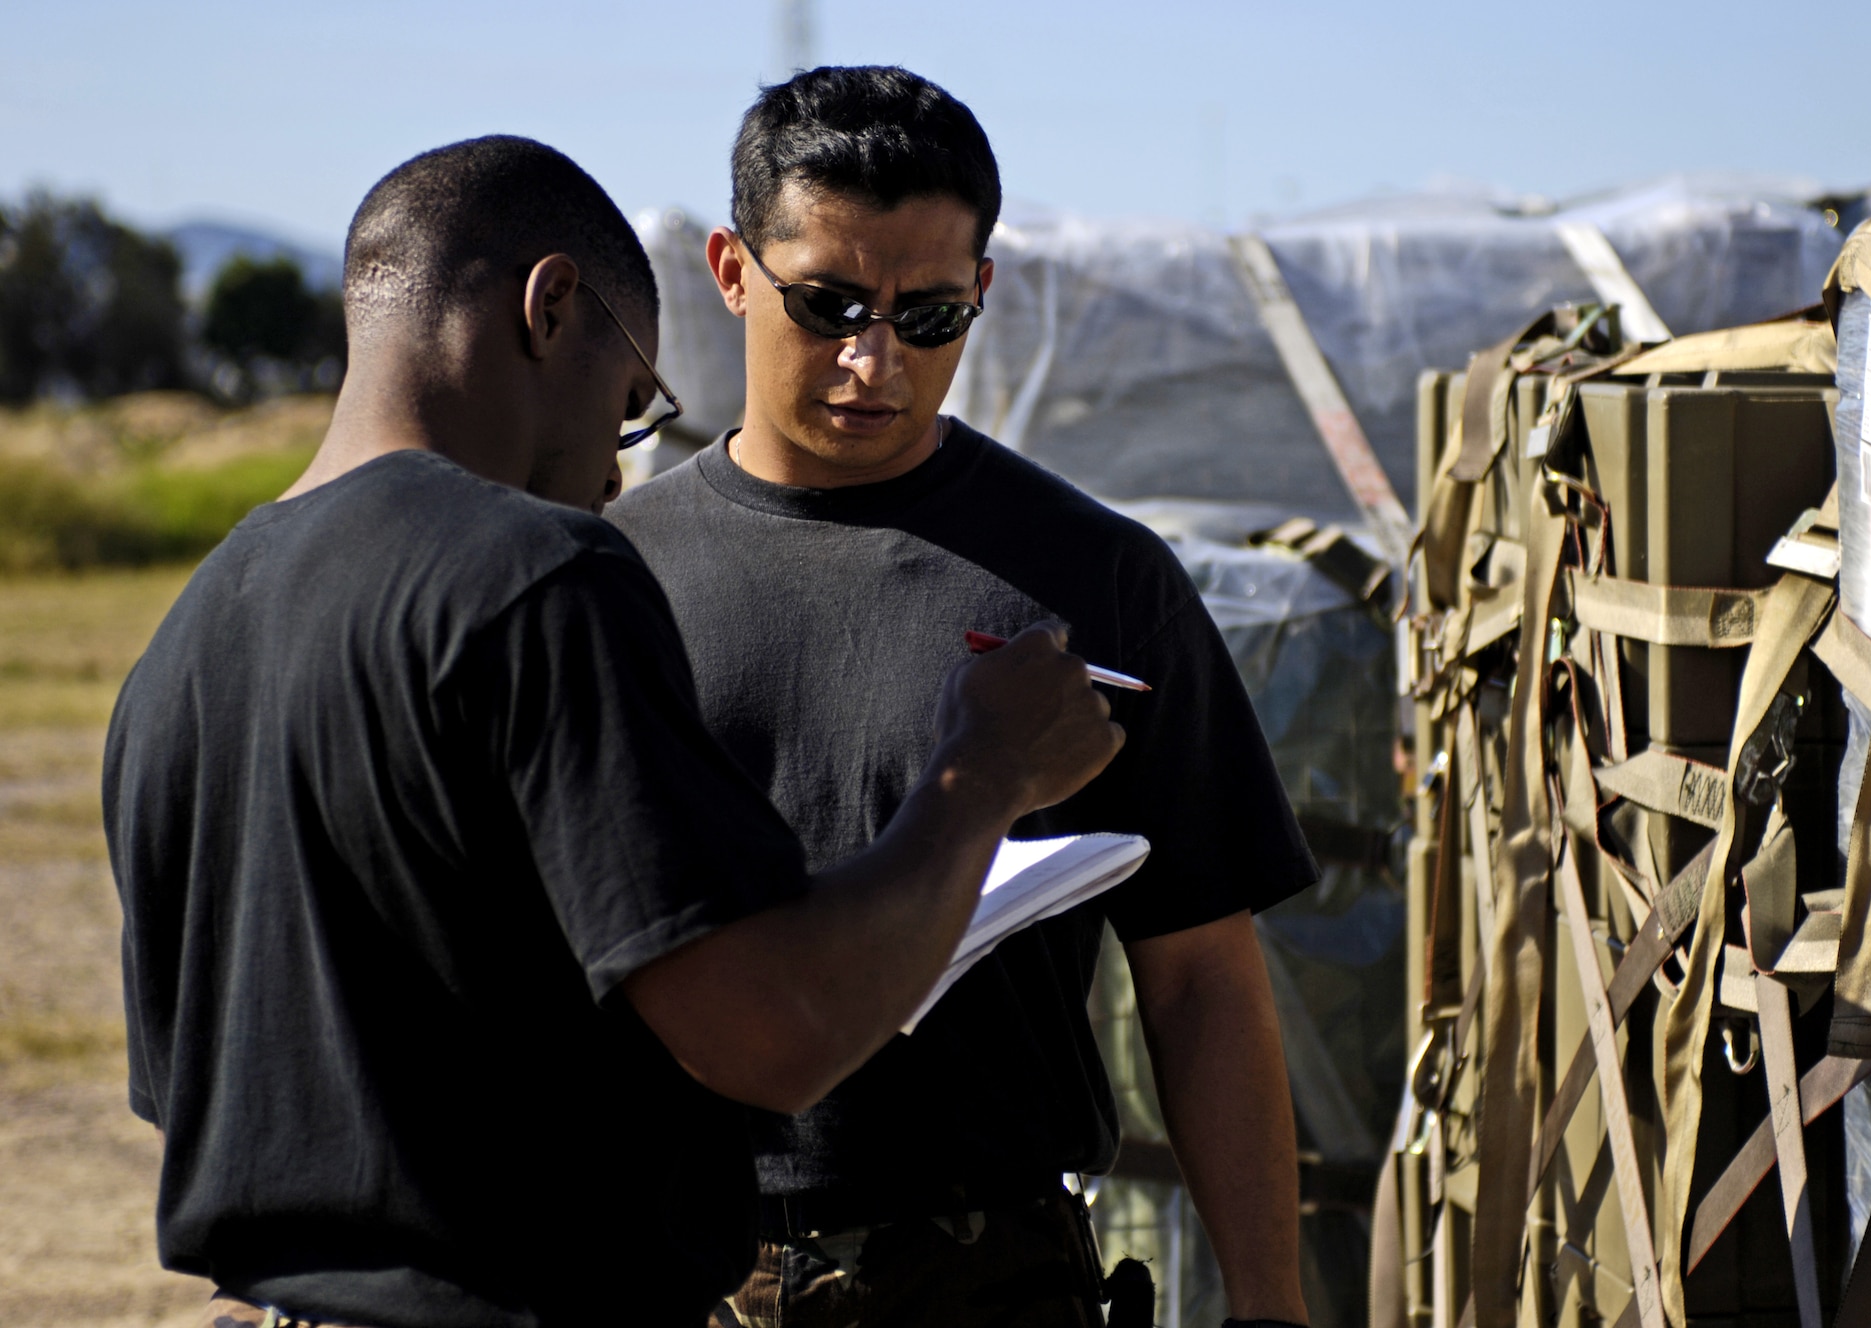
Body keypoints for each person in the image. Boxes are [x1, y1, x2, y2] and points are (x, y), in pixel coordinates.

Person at [104, 135, 1124, 1328]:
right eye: (630, 404)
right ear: (549, 308)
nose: (613, 474)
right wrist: (979, 773)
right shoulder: (537, 576)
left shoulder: (185, 638)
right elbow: (772, 1036)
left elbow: (192, 1092)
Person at [607, 68, 1319, 1328]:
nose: (871, 359)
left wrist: (1266, 1301)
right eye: (825, 303)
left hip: (989, 1273)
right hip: (661, 1257)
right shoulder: (605, 580)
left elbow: (1202, 976)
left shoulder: (1097, 581)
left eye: (926, 315)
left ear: (981, 293)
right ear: (728, 270)